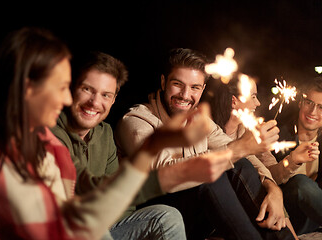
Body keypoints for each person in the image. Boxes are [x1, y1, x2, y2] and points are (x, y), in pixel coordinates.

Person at [0, 28, 222, 240]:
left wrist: (155, 147)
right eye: (66, 87)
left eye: (107, 95)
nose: (66, 98)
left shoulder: (50, 146)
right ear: (27, 87)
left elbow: (98, 198)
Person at [115, 48, 294, 239]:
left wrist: (272, 187)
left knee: (238, 164)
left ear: (202, 89)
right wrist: (238, 148)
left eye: (195, 87)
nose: (185, 95)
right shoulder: (136, 121)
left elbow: (242, 155)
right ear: (163, 82)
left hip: (194, 218)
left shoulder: (199, 120)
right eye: (177, 84)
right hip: (155, 219)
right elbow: (161, 173)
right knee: (210, 176)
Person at [51, 51, 187, 240]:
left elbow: (124, 201)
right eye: (87, 89)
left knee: (168, 216)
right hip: (66, 227)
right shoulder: (52, 130)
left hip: (108, 225)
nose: (95, 102)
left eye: (106, 95)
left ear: (114, 99)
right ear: (71, 89)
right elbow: (79, 191)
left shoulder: (105, 133)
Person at [208, 76, 298, 239]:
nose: (258, 104)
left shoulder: (248, 131)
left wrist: (275, 188)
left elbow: (263, 168)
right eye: (253, 96)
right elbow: (244, 162)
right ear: (234, 101)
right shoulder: (209, 130)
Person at [260, 77, 322, 235]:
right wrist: (293, 160)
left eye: (321, 107)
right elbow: (267, 177)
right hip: (286, 214)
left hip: (314, 220)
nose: (313, 112)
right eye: (309, 102)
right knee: (300, 182)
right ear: (300, 102)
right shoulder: (277, 136)